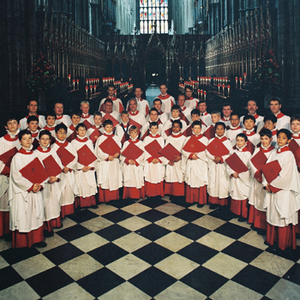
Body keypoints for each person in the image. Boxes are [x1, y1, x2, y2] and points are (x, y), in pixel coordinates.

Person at [9, 130, 47, 248]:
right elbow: (16, 177)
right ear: (20, 141)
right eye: (24, 139)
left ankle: (36, 239)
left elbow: (43, 171)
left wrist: (40, 184)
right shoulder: (17, 158)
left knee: (36, 214)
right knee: (24, 215)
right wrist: (31, 186)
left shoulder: (35, 155)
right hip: (23, 192)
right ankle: (23, 243)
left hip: (36, 191)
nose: (27, 141)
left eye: (29, 138)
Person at [263, 129, 300, 250]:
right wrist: (265, 183)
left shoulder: (288, 155)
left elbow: (286, 176)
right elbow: (266, 168)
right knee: (273, 215)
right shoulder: (274, 152)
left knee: (281, 216)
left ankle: (283, 244)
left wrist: (272, 186)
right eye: (278, 137)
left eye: (283, 138)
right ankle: (272, 240)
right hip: (272, 189)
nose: (280, 140)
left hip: (282, 191)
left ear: (289, 140)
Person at [36, 130, 63, 236]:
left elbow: (59, 165)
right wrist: (46, 179)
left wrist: (56, 177)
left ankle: (55, 223)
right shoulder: (35, 153)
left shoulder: (52, 151)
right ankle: (46, 227)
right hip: (44, 185)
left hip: (53, 182)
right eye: (43, 139)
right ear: (39, 140)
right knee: (45, 204)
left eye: (47, 139)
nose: (45, 141)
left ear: (50, 140)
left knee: (54, 202)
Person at [248, 128, 275, 234]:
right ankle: (257, 223)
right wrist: (256, 173)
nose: (264, 141)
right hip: (257, 178)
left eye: (266, 139)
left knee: (264, 201)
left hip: (266, 180)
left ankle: (264, 226)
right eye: (262, 139)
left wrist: (264, 177)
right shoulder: (257, 149)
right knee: (257, 200)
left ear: (271, 139)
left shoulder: (273, 151)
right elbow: (251, 161)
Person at [0, 116, 21, 239]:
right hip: (5, 176)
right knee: (4, 203)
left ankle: (16, 231)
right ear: (6, 127)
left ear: (19, 125)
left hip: (20, 179)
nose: (12, 125)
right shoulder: (1, 141)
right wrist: (8, 171)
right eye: (9, 123)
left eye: (14, 122)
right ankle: (4, 231)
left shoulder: (24, 139)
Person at [52, 123, 78, 218]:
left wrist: (69, 166)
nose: (62, 135)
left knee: (69, 189)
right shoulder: (53, 147)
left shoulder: (70, 145)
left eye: (64, 133)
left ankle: (70, 211)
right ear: (55, 134)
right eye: (60, 133)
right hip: (60, 174)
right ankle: (62, 211)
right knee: (61, 191)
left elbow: (75, 157)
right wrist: (61, 168)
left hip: (68, 171)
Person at [182, 120, 208, 207]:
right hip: (191, 162)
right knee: (191, 179)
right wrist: (190, 155)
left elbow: (207, 151)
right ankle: (190, 199)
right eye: (195, 128)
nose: (197, 130)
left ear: (201, 129)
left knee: (200, 180)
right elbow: (183, 150)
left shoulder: (204, 139)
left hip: (200, 163)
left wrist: (198, 155)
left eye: (198, 128)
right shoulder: (188, 139)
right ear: (192, 129)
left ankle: (200, 201)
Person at [71, 123, 97, 209]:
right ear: (77, 131)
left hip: (89, 167)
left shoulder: (89, 141)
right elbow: (73, 157)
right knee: (81, 186)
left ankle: (92, 202)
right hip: (80, 169)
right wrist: (80, 167)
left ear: (86, 131)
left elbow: (92, 154)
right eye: (80, 130)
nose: (82, 131)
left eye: (84, 130)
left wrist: (89, 166)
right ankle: (81, 204)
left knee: (90, 185)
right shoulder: (73, 142)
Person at [206, 122, 232, 209]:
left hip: (222, 166)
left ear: (224, 130)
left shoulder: (228, 142)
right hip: (214, 164)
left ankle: (223, 203)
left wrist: (221, 158)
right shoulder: (211, 141)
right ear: (215, 130)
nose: (219, 131)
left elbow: (230, 154)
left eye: (221, 129)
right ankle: (214, 201)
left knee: (222, 183)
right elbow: (207, 151)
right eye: (218, 129)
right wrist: (214, 158)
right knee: (213, 181)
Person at [226, 133, 251, 222]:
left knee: (242, 194)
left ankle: (243, 214)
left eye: (241, 140)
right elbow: (228, 165)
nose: (239, 142)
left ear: (246, 142)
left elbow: (249, 169)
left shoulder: (248, 154)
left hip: (243, 179)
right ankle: (234, 212)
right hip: (234, 177)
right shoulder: (233, 152)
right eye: (237, 140)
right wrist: (232, 172)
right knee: (234, 194)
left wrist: (240, 174)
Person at [95, 119, 122, 202]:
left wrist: (118, 153)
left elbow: (120, 147)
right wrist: (107, 157)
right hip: (105, 162)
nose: (109, 129)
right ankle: (105, 198)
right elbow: (98, 152)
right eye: (107, 127)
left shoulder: (116, 138)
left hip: (114, 162)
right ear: (103, 128)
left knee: (114, 178)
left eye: (111, 127)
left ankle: (114, 197)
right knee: (105, 179)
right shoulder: (101, 139)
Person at [120, 126, 145, 200]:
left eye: (135, 132)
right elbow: (122, 155)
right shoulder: (126, 143)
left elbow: (143, 154)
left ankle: (137, 194)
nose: (133, 134)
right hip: (128, 165)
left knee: (137, 178)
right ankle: (128, 194)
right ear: (129, 133)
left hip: (136, 164)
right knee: (129, 178)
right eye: (132, 132)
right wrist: (127, 160)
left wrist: (136, 161)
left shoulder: (140, 143)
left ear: (137, 133)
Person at [143, 122, 166, 199]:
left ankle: (158, 193)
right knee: (150, 175)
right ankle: (149, 193)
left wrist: (158, 159)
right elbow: (144, 150)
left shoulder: (161, 139)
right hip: (150, 161)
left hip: (158, 161)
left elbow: (163, 150)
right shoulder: (146, 139)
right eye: (152, 128)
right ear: (149, 129)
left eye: (155, 128)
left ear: (158, 129)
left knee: (158, 176)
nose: (154, 130)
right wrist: (151, 159)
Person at [164, 120, 186, 198]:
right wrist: (168, 160)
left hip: (180, 161)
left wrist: (181, 157)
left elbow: (186, 150)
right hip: (171, 161)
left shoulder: (184, 138)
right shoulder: (169, 138)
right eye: (174, 126)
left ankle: (179, 194)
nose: (175, 128)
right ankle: (171, 193)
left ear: (180, 128)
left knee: (179, 176)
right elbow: (165, 150)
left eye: (177, 127)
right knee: (171, 175)